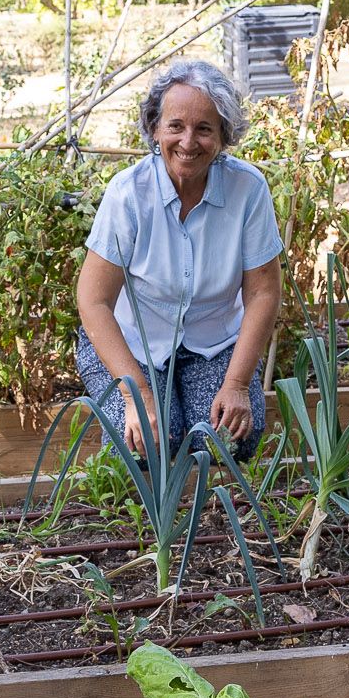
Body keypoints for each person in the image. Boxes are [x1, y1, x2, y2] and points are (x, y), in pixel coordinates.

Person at [75, 58, 285, 459]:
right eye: (175, 126)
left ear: (224, 135)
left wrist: (237, 383)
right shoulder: (129, 194)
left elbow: (262, 293)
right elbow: (94, 300)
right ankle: (137, 519)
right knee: (142, 442)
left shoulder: (248, 190)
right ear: (156, 129)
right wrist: (136, 395)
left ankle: (212, 514)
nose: (188, 142)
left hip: (213, 341)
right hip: (133, 341)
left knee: (228, 436)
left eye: (204, 129)